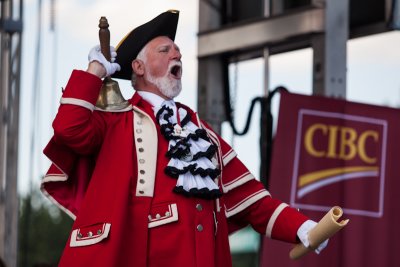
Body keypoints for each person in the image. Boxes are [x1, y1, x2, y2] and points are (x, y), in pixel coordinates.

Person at [42, 10, 326, 267]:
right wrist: (94, 71)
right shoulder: (116, 121)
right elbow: (68, 128)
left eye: (177, 51)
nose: (176, 55)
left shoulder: (201, 130)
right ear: (138, 68)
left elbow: (251, 198)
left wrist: (302, 228)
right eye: (164, 51)